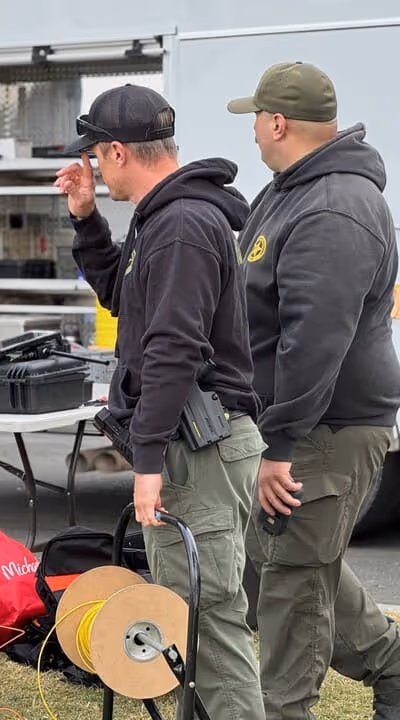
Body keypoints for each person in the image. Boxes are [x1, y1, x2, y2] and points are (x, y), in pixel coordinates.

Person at [56, 84, 266, 718]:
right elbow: (131, 304)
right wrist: (87, 220)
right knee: (191, 617)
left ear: (118, 151)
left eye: (94, 156)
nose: (92, 166)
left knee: (210, 622)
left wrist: (146, 462)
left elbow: (173, 349)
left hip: (197, 450)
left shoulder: (179, 225)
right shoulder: (169, 217)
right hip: (194, 446)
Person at [228, 61, 400, 720]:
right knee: (284, 562)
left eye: (255, 121)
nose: (253, 135)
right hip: (294, 422)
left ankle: (284, 711)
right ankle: (390, 662)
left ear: (278, 122)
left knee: (291, 585)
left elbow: (314, 341)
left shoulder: (335, 207)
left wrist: (278, 446)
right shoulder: (289, 190)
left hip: (324, 429)